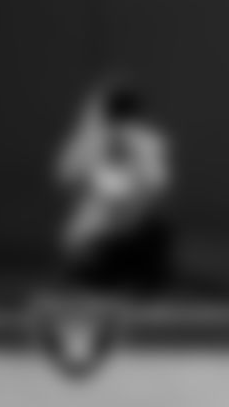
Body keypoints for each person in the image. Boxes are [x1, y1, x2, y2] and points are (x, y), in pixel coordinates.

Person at [55, 78, 175, 301]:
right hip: (93, 245)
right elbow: (66, 176)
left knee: (158, 231)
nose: (120, 125)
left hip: (132, 241)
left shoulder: (148, 143)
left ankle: (145, 295)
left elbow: (156, 188)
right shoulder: (87, 142)